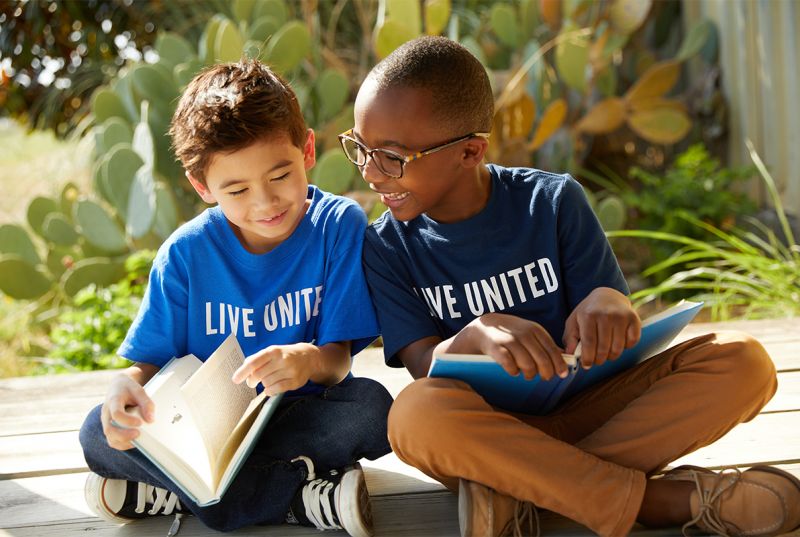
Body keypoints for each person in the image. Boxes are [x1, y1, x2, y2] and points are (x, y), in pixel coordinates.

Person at [342, 36, 800, 537]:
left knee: (743, 360)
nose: (370, 172)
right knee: (412, 416)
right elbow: (422, 366)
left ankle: (530, 499)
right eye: (361, 149)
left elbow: (606, 304)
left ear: (471, 150)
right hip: (488, 434)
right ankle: (663, 501)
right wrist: (474, 334)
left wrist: (610, 302)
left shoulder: (553, 201)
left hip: (595, 414)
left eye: (391, 156)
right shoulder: (386, 247)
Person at [79, 59, 392, 537]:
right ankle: (298, 500)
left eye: (279, 175)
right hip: (203, 433)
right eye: (238, 189)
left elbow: (337, 363)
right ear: (202, 187)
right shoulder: (184, 255)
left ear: (306, 149)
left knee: (372, 408)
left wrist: (304, 359)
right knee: (98, 433)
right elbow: (146, 364)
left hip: (300, 410)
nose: (265, 203)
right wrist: (123, 388)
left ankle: (181, 497)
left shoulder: (337, 225)